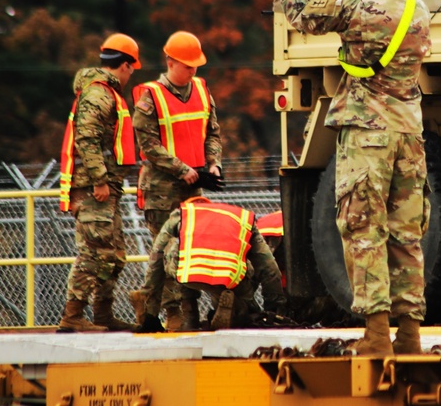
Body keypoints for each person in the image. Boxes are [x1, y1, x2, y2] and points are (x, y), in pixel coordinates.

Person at [276, 0, 432, 355]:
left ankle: (377, 335)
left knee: (363, 227)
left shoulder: (358, 7)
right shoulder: (417, 9)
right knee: (407, 233)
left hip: (367, 133)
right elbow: (368, 4)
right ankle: (409, 336)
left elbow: (299, 13)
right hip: (408, 133)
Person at [127, 31, 223, 332]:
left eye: (196, 65)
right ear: (170, 61)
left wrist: (213, 163)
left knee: (190, 250)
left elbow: (212, 132)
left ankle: (173, 307)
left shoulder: (201, 90)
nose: (192, 70)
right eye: (186, 65)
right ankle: (171, 312)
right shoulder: (150, 96)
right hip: (161, 190)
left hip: (193, 186)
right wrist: (181, 169)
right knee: (165, 251)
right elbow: (148, 145)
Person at [58, 33, 142, 332]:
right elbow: (86, 140)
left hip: (105, 190)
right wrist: (100, 180)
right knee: (93, 253)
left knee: (113, 254)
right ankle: (72, 317)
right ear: (125, 65)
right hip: (95, 189)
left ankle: (103, 316)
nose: (132, 75)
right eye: (133, 68)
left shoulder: (106, 93)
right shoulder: (99, 94)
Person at [136, 196, 287, 331]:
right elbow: (270, 269)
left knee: (180, 253)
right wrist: (273, 312)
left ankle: (190, 318)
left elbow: (155, 262)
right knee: (247, 311)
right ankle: (237, 311)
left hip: (188, 271)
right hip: (231, 276)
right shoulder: (241, 217)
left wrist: (151, 314)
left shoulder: (181, 215)